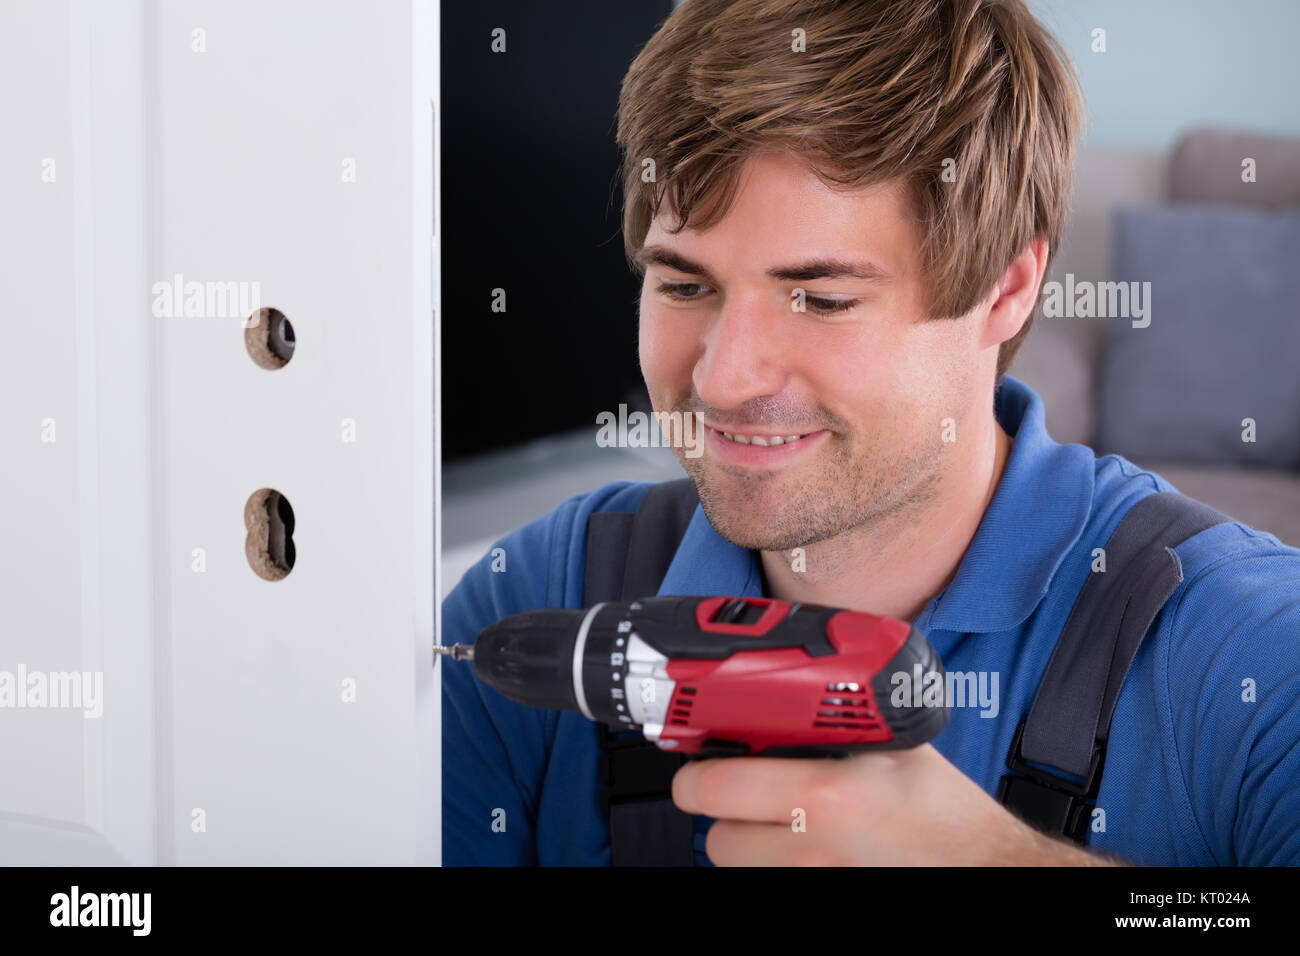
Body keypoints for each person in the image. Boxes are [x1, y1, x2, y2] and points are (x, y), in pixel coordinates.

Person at [441, 0, 1300, 865]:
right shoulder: (534, 595)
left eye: (820, 298)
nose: (722, 380)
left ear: (1005, 289)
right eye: (685, 286)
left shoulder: (1252, 649)